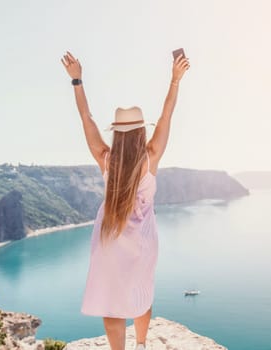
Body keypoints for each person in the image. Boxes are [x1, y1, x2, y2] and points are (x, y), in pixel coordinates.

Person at [61, 50, 190, 350]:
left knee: (112, 301)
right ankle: (142, 345)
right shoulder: (151, 156)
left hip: (110, 237)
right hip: (144, 240)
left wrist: (77, 79)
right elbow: (166, 115)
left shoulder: (105, 159)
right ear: (141, 130)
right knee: (141, 292)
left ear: (117, 133)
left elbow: (86, 117)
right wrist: (175, 79)